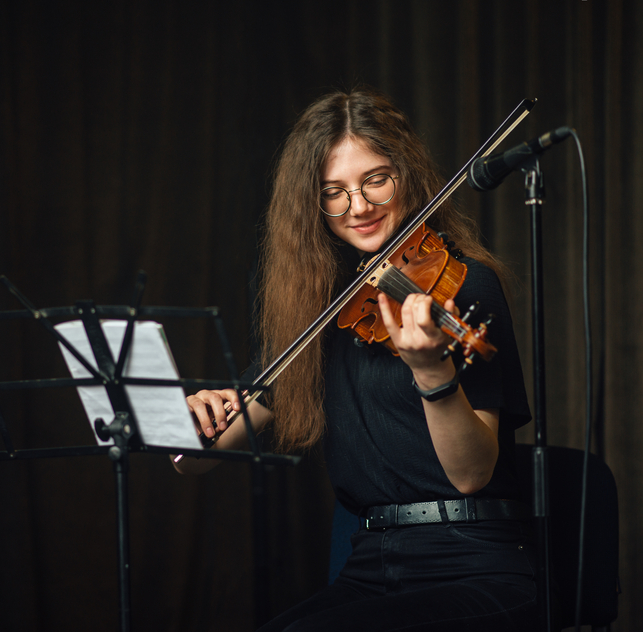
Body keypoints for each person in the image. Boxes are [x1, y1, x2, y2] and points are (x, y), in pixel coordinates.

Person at [171, 87, 537, 631]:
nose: (358, 207)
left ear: (406, 174)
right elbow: (199, 456)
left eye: (375, 180)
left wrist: (434, 372)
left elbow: (472, 474)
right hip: (370, 564)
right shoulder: (319, 307)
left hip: (474, 560)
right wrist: (191, 422)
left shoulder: (464, 284)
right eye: (333, 192)